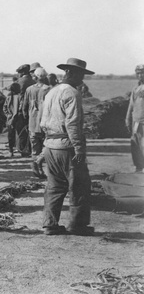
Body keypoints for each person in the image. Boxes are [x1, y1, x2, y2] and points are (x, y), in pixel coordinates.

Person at [40, 57, 95, 236]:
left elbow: (43, 122)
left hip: (50, 145)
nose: (82, 79)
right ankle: (77, 225)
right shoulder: (72, 93)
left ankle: (50, 224)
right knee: (79, 185)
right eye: (80, 75)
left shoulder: (51, 92)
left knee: (54, 186)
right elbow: (73, 124)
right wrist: (79, 148)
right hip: (66, 146)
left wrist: (43, 150)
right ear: (70, 73)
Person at [23, 67, 50, 178]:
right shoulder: (49, 89)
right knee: (46, 147)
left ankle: (36, 169)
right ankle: (41, 168)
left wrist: (26, 119)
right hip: (45, 124)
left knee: (35, 148)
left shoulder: (29, 90)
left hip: (32, 123)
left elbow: (24, 107)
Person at [125, 64, 144, 173]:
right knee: (135, 145)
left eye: (142, 72)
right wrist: (127, 119)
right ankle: (138, 168)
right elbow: (131, 106)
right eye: (138, 73)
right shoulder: (135, 89)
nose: (140, 75)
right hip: (136, 122)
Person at [15, 64, 35, 156]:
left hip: (22, 108)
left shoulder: (20, 82)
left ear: (22, 72)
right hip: (32, 109)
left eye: (19, 73)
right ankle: (30, 148)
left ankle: (22, 149)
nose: (18, 75)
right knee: (30, 129)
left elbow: (18, 96)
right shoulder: (33, 81)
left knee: (21, 129)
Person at [3, 83, 22, 157]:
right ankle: (19, 149)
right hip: (18, 118)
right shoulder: (20, 97)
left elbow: (4, 108)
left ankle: (11, 150)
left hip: (10, 119)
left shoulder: (8, 97)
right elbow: (21, 108)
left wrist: (8, 115)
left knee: (10, 135)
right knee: (19, 134)